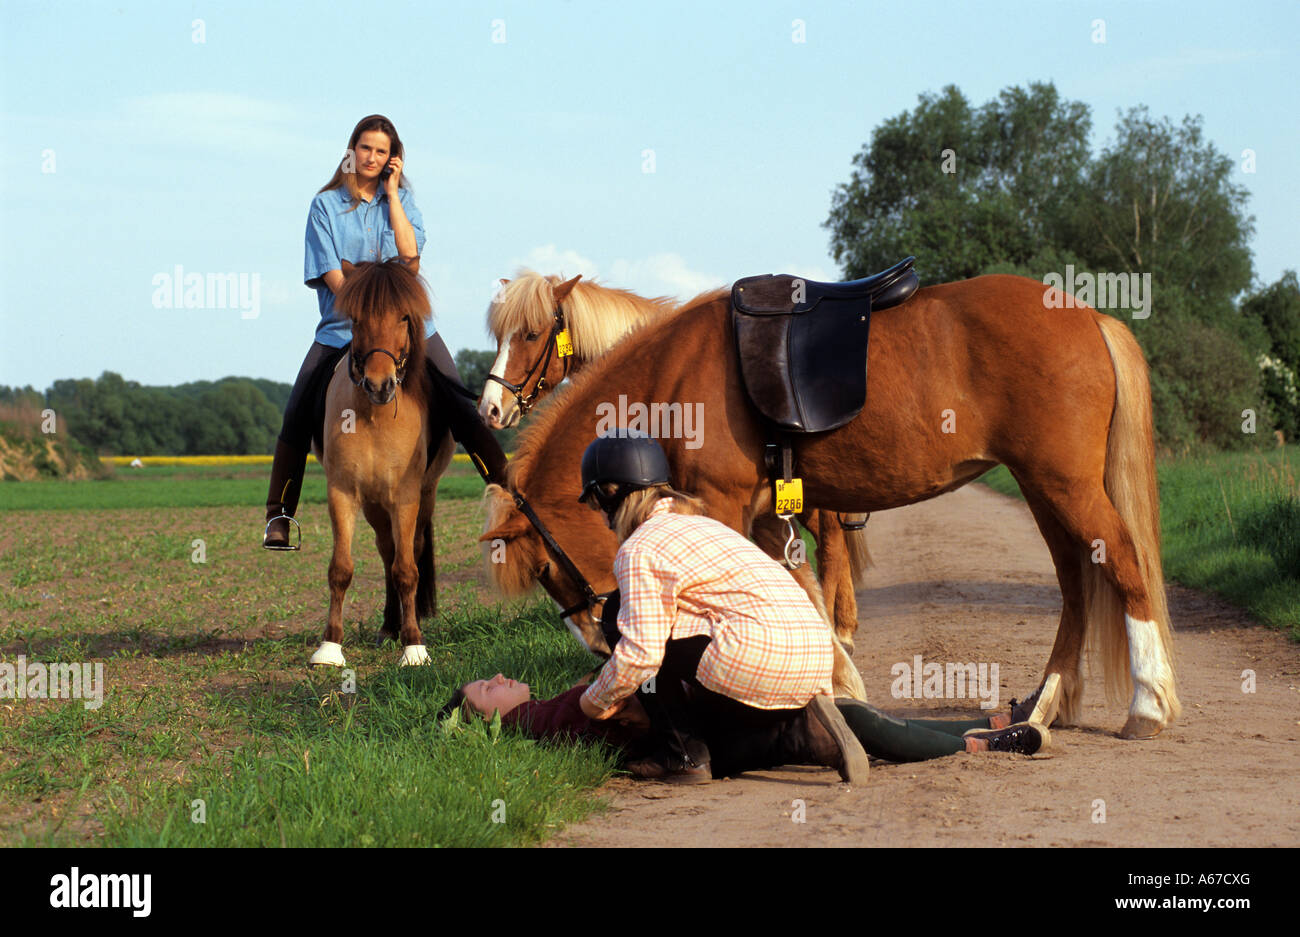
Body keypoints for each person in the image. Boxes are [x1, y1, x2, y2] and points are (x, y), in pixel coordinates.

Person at [458, 432, 1049, 783]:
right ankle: (986, 733)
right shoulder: (701, 527)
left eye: (600, 505)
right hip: (811, 652)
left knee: (621, 622)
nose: (602, 517)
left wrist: (594, 701)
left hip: (758, 660)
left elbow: (638, 657)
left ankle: (685, 755)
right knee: (832, 720)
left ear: (613, 495)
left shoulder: (639, 549)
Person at [262, 114, 507, 549]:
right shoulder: (324, 207)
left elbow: (410, 257)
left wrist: (393, 195)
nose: (372, 157)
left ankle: (512, 493)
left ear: (393, 159)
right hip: (343, 330)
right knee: (298, 410)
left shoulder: (405, 202)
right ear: (350, 152)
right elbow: (335, 279)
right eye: (365, 148)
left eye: (382, 151)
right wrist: (368, 309)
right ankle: (279, 515)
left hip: (409, 330)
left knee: (459, 404)